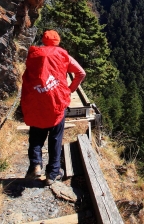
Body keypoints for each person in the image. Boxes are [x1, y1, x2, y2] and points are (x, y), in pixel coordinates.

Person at [20, 29, 86, 185]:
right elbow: (81, 73)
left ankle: (35, 165)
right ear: (58, 41)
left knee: (36, 133)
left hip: (36, 99)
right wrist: (69, 90)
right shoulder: (63, 55)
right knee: (55, 137)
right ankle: (53, 173)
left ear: (43, 40)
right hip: (56, 101)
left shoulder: (34, 54)